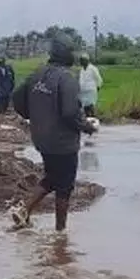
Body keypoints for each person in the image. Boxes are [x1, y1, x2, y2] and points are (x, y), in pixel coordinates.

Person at [8, 33, 98, 232]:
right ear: (67, 54)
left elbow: (17, 98)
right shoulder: (67, 78)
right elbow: (69, 113)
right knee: (64, 185)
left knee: (52, 177)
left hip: (41, 138)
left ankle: (24, 210)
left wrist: (33, 116)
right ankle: (60, 233)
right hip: (63, 142)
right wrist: (87, 127)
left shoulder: (37, 74)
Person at [78, 53, 103, 118]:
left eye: (82, 60)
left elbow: (99, 79)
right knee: (85, 107)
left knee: (91, 106)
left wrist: (98, 87)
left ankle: (93, 120)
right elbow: (81, 80)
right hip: (83, 92)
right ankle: (88, 121)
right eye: (80, 60)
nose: (80, 62)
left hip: (91, 91)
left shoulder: (93, 68)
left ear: (87, 60)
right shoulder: (82, 70)